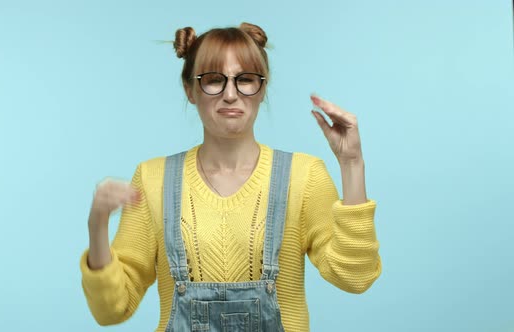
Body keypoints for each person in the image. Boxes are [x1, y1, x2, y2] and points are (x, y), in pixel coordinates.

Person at [80, 22, 382, 331]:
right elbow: (112, 310)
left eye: (245, 80)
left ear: (262, 88)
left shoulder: (303, 177)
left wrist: (352, 163)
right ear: (190, 90)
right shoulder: (153, 179)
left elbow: (354, 277)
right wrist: (97, 224)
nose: (230, 94)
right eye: (213, 80)